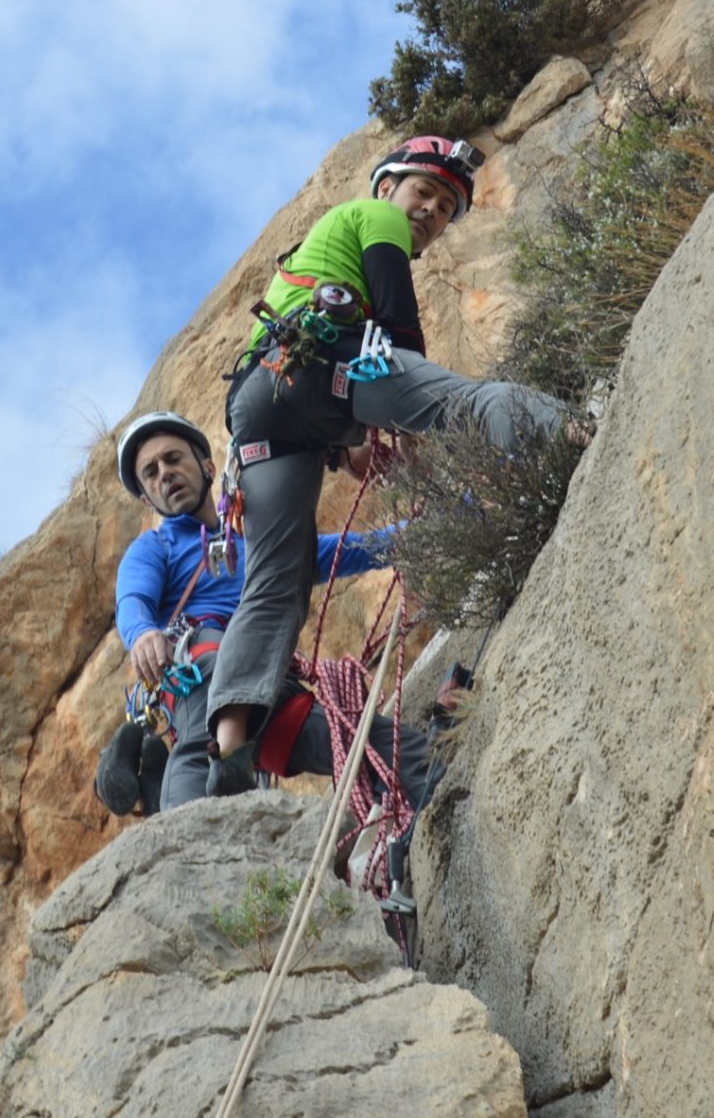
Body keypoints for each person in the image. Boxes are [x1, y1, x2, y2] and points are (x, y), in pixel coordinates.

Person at [203, 135, 590, 796]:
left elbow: (327, 419)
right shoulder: (373, 215)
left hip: (261, 408)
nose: (429, 212)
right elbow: (397, 324)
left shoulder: (317, 250)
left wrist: (361, 441)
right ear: (388, 187)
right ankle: (577, 436)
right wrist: (398, 411)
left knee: (278, 574)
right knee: (464, 404)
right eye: (423, 193)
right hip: (331, 358)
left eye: (444, 208)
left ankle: (232, 746)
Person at [103, 410, 406, 814]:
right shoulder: (156, 549)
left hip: (267, 689)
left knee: (379, 747)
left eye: (173, 459)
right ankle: (182, 833)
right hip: (203, 673)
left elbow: (355, 549)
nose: (165, 473)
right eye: (151, 472)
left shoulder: (263, 543)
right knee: (200, 750)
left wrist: (431, 529)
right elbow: (133, 601)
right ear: (146, 498)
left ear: (208, 467)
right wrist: (142, 633)